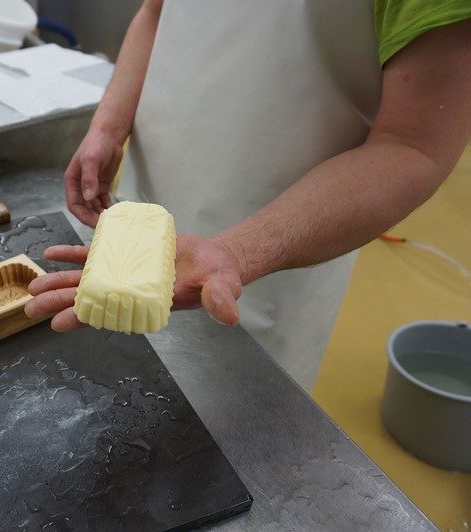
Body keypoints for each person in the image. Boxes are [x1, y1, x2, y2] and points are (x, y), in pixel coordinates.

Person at [24, 0, 471, 389]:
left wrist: (237, 252)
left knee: (228, 432)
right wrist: (109, 124)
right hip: (149, 197)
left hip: (274, 249)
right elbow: (156, 12)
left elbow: (413, 147)